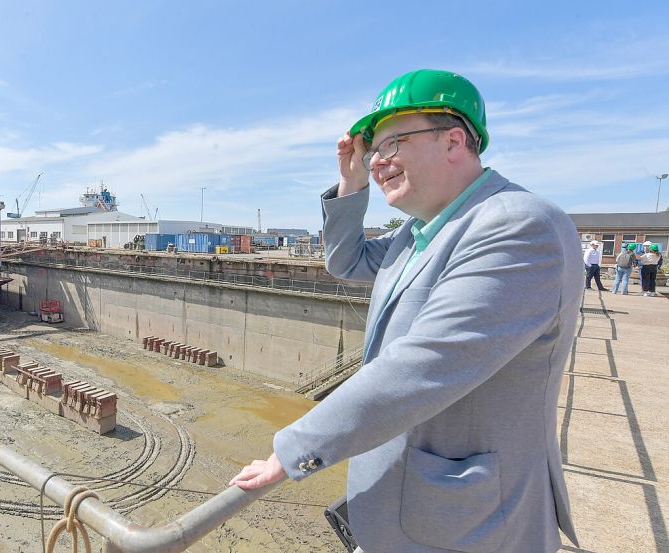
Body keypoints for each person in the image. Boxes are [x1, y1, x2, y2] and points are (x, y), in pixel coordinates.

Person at [230, 69, 581, 553]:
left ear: (454, 140)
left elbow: (427, 363)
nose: (377, 161)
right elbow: (346, 261)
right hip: (405, 514)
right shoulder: (419, 232)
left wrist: (292, 451)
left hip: (468, 528)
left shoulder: (518, 226)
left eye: (393, 143)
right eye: (373, 151)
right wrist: (351, 183)